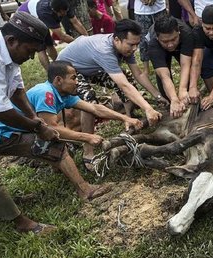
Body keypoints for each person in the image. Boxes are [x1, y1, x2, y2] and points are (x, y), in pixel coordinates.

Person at [0, 61, 142, 201]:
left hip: (20, 130)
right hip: (3, 137)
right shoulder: (46, 93)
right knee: (56, 148)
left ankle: (56, 166)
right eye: (73, 78)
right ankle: (85, 190)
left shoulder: (63, 94)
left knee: (54, 143)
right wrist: (87, 137)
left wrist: (125, 118)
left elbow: (95, 108)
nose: (77, 82)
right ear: (59, 80)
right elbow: (51, 128)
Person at [0, 11, 59, 234]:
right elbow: (0, 111)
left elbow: (16, 88)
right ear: (12, 40)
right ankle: (21, 223)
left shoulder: (9, 51)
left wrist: (34, 117)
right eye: (30, 51)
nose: (32, 58)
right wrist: (37, 127)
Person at [57, 19, 165, 169]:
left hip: (90, 66)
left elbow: (138, 74)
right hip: (69, 69)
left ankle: (129, 119)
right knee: (89, 101)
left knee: (126, 76)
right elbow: (123, 85)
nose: (134, 48)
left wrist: (158, 96)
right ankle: (88, 151)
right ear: (117, 40)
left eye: (136, 44)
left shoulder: (124, 47)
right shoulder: (105, 50)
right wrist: (148, 108)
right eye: (131, 44)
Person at [147, 15, 198, 118]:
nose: (170, 45)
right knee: (163, 78)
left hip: (182, 44)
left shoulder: (186, 34)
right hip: (159, 50)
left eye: (173, 39)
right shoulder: (153, 43)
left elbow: (185, 64)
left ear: (178, 32)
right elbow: (164, 75)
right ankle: (170, 103)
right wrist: (174, 99)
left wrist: (183, 90)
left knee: (186, 82)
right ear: (157, 38)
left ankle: (186, 99)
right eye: (165, 41)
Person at [18, 0, 89, 70]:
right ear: (55, 11)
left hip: (37, 12)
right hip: (26, 17)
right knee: (41, 47)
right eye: (62, 13)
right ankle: (50, 73)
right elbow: (62, 36)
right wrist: (80, 44)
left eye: (66, 11)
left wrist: (88, 39)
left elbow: (75, 22)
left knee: (49, 44)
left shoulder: (65, 5)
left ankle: (58, 66)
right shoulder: (46, 13)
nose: (65, 13)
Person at [134, 0, 167, 75]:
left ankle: (164, 63)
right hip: (141, 11)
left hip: (160, 8)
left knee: (163, 35)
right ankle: (146, 69)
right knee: (143, 40)